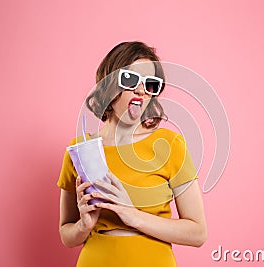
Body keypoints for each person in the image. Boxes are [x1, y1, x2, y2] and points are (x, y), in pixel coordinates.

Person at [57, 41, 207, 267]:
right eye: (130, 79)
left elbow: (197, 233)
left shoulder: (169, 145)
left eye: (150, 84)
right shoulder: (81, 150)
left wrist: (133, 215)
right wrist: (83, 226)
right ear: (108, 84)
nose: (140, 90)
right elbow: (66, 234)